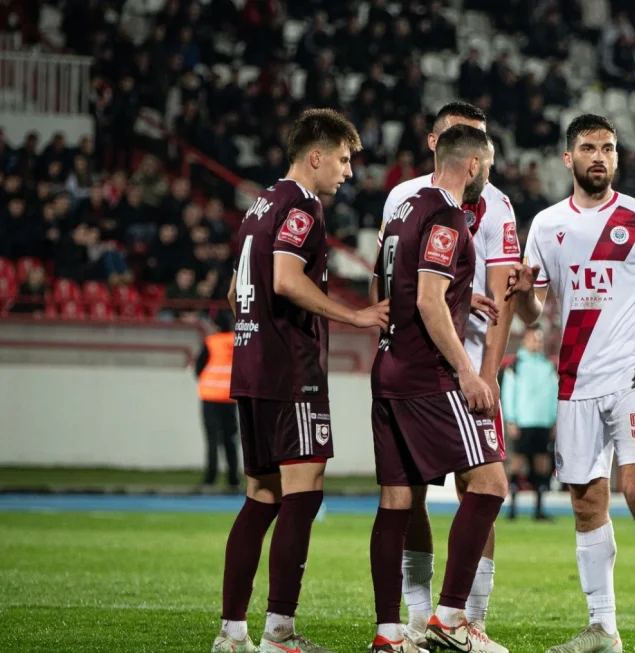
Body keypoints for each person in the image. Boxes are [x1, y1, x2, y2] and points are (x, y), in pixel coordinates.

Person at [504, 114, 635, 653]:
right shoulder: (546, 225)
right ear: (569, 159)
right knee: (586, 503)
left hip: (634, 375)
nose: (600, 156)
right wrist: (520, 292)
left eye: (608, 147)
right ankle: (603, 628)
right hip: (575, 381)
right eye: (588, 148)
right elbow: (532, 315)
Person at [213, 108, 388, 653]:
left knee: (261, 495)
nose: (347, 172)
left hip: (252, 365)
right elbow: (287, 280)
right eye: (342, 159)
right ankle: (280, 633)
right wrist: (355, 315)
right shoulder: (301, 206)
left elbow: (234, 291)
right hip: (291, 371)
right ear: (316, 155)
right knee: (303, 495)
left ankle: (232, 632)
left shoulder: (259, 205)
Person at [373, 102, 527, 653]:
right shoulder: (442, 210)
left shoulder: (417, 201)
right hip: (440, 372)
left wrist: (487, 369)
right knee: (484, 484)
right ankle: (443, 617)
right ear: (455, 151)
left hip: (407, 365)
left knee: (403, 496)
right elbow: (428, 295)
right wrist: (467, 368)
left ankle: (400, 629)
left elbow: (392, 283)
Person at [501, 325, 559, 521]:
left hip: (543, 422)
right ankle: (512, 509)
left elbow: (555, 393)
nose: (538, 342)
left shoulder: (548, 366)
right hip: (523, 422)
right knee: (517, 464)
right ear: (525, 341)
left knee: (542, 466)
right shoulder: (515, 366)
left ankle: (539, 510)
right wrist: (511, 420)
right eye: (534, 338)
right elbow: (508, 394)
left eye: (540, 339)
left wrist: (554, 419)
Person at [196, 310, 241, 491]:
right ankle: (233, 479)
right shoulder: (239, 343)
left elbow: (198, 368)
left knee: (212, 439)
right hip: (230, 398)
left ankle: (210, 478)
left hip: (210, 397)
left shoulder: (211, 342)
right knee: (231, 439)